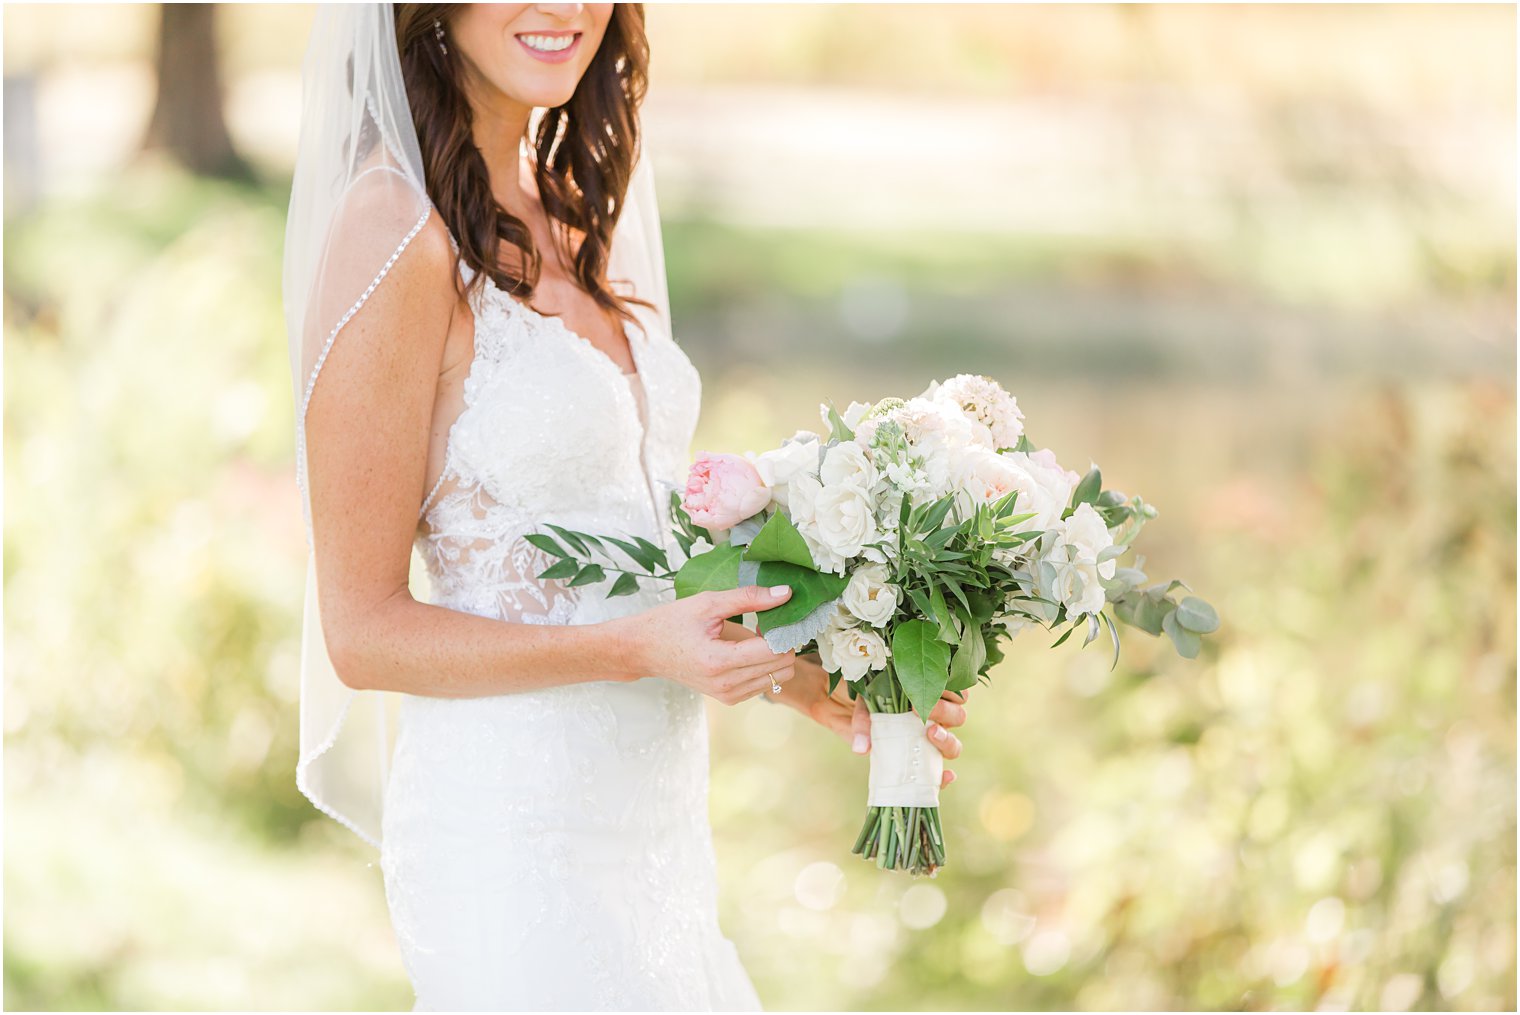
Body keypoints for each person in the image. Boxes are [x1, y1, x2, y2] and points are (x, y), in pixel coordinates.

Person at [282, 4, 969, 1009]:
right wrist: (637, 648)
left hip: (653, 837)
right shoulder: (391, 229)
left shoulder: (565, 207)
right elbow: (363, 632)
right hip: (514, 841)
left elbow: (633, 551)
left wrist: (801, 674)